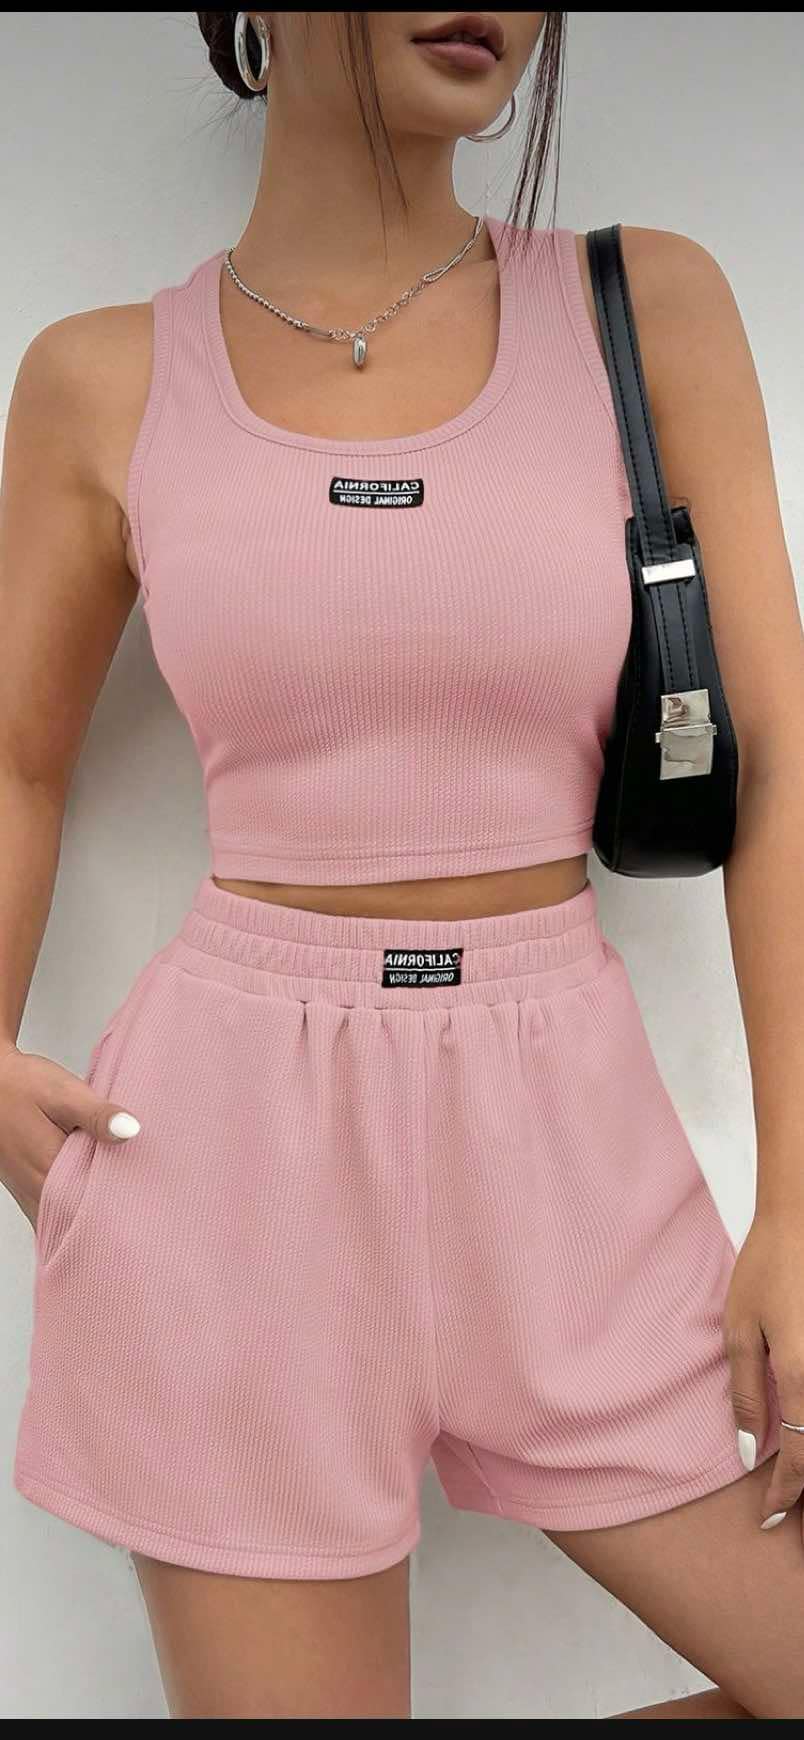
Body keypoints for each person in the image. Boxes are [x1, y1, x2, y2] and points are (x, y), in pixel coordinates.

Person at [2, 9, 803, 1722]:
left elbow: (783, 768)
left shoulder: (645, 309)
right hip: (225, 1172)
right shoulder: (99, 379)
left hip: (570, 1155)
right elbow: (15, 758)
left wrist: (803, 1203)